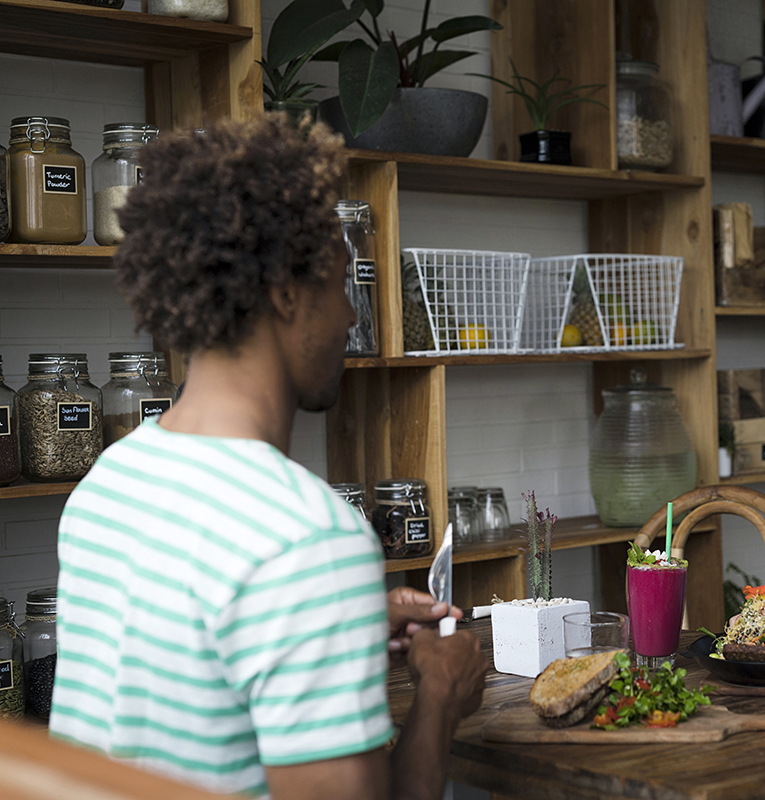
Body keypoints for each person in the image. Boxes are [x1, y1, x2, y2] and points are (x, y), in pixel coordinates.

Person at [50, 115, 487, 800]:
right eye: (341, 284)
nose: (350, 317)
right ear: (286, 290)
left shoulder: (109, 483)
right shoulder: (307, 539)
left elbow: (179, 674)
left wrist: (335, 625)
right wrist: (440, 696)